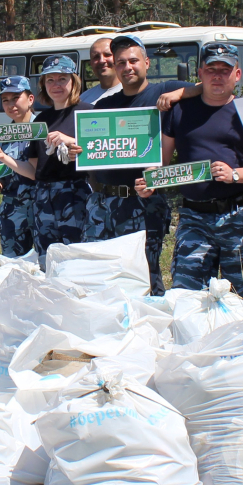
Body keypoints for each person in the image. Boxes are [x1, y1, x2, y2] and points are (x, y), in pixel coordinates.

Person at [138, 44, 243, 303]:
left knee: (239, 297)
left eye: (225, 70)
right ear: (200, 73)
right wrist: (150, 180)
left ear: (237, 75)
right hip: (193, 216)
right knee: (186, 295)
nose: (217, 76)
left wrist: (235, 174)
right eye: (211, 69)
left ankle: (237, 342)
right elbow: (161, 160)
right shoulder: (180, 110)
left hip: (238, 215)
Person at [86, 34, 171, 294]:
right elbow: (92, 147)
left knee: (145, 275)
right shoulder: (103, 106)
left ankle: (153, 330)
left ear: (147, 62)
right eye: (120, 62)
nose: (127, 67)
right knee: (103, 275)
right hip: (103, 205)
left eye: (133, 61)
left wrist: (178, 93)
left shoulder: (162, 91)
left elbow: (206, 86)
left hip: (142, 204)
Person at [27, 54, 91, 254]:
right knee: (47, 259)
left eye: (62, 79)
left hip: (76, 194)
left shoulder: (89, 113)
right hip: (44, 197)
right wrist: (2, 158)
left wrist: (71, 141)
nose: (56, 84)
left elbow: (102, 150)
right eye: (50, 80)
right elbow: (34, 167)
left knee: (77, 258)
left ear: (74, 81)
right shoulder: (40, 120)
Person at [0, 75, 39, 258]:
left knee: (47, 264)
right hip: (13, 210)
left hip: (42, 207)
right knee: (13, 268)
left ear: (30, 99)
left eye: (16, 98)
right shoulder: (2, 136)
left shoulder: (44, 130)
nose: (10, 104)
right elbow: (1, 177)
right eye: (5, 100)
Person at [80, 35, 118, 104]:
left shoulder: (132, 93)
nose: (102, 61)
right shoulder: (83, 99)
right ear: (91, 63)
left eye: (107, 54)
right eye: (96, 57)